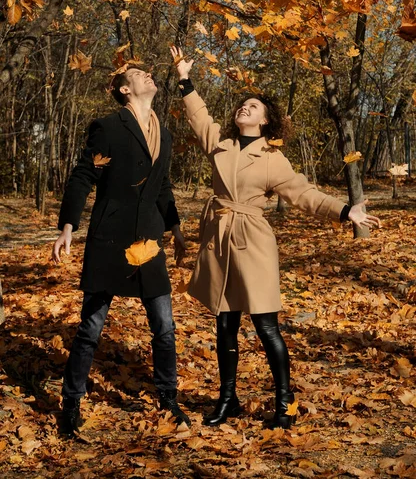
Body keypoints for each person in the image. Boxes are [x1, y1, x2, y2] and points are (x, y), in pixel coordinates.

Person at [170, 46, 381, 429]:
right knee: (224, 325)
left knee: (266, 326)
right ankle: (227, 399)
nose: (244, 109)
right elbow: (199, 118)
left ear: (265, 121)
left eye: (253, 106)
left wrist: (346, 210)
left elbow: (304, 194)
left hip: (252, 243)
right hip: (219, 241)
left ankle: (285, 403)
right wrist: (185, 79)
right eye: (242, 105)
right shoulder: (221, 143)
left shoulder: (272, 158)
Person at [52, 64, 190, 437]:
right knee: (91, 327)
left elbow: (163, 187)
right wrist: (68, 227)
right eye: (139, 74)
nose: (149, 76)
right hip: (109, 239)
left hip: (148, 242)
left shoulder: (165, 133)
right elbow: (84, 175)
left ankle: (168, 397)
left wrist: (174, 229)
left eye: (149, 73)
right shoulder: (109, 127)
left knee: (164, 326)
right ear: (124, 90)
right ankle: (72, 402)